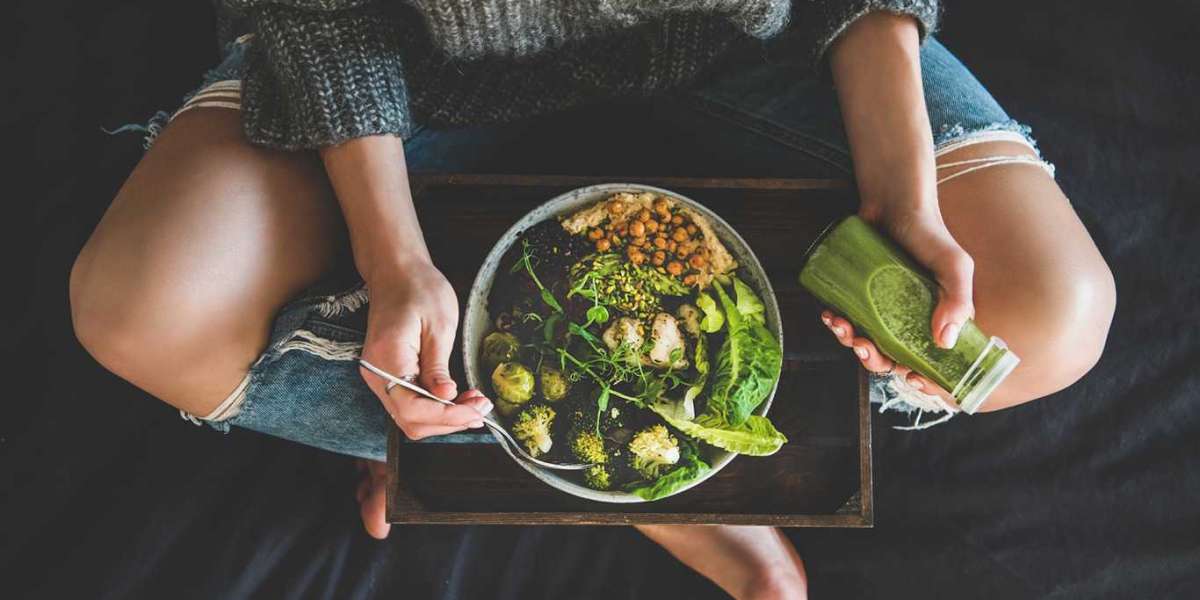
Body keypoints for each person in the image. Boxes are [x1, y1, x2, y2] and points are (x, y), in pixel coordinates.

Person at [69, 1, 1115, 598]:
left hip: (755, 44)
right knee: (141, 305)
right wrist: (392, 261)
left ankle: (462, 446)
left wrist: (901, 198)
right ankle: (618, 484)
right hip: (400, 68)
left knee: (1047, 317)